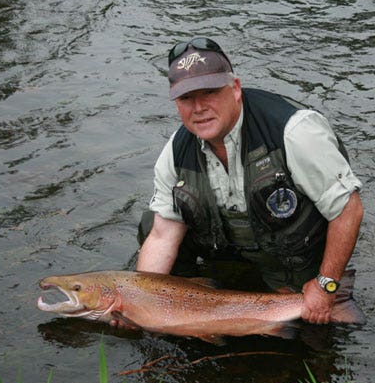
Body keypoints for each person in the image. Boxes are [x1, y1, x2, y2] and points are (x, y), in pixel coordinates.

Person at [135, 37, 363, 325]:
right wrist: (139, 303)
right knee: (150, 224)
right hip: (230, 248)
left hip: (292, 256)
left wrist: (326, 284)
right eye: (186, 99)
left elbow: (348, 209)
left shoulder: (294, 132)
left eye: (210, 92)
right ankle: (204, 297)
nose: (199, 107)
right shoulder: (175, 152)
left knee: (309, 335)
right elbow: (162, 236)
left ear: (236, 89)